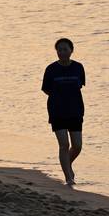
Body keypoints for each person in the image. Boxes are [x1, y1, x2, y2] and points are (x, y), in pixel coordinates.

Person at [42, 38, 85, 186]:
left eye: (65, 49)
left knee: (77, 145)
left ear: (71, 50)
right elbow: (46, 89)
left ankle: (67, 164)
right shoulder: (51, 69)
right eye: (59, 50)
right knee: (64, 145)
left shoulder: (78, 67)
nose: (62, 52)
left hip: (75, 110)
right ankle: (69, 178)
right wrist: (59, 99)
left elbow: (80, 86)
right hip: (57, 111)